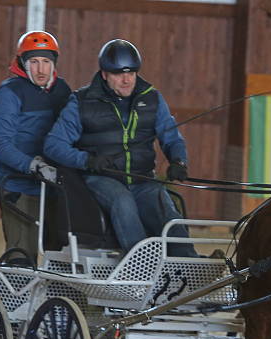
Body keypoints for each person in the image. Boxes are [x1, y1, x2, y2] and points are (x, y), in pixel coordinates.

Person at [44, 39, 197, 257]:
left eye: (131, 73)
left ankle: (190, 271)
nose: (127, 80)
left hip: (144, 181)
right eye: (119, 74)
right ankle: (143, 267)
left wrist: (178, 161)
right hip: (102, 179)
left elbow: (172, 138)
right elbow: (53, 145)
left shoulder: (152, 98)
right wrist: (86, 160)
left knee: (169, 217)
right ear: (104, 74)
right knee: (122, 201)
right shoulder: (81, 102)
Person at [0, 30, 72, 263]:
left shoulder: (63, 90)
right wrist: (34, 166)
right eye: (34, 62)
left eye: (46, 62)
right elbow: (0, 145)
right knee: (22, 258)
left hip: (57, 188)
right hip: (21, 188)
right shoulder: (10, 93)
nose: (40, 69)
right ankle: (15, 297)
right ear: (23, 63)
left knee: (62, 258)